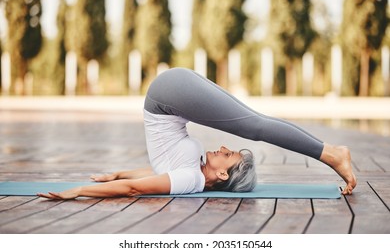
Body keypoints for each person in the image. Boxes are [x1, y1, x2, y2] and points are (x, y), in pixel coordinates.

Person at [38, 68, 356, 200]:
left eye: (228, 155)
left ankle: (332, 153)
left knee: (256, 126)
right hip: (172, 95)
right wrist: (116, 173)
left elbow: (138, 186)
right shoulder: (192, 172)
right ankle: (331, 152)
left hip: (170, 95)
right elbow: (154, 174)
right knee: (256, 123)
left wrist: (78, 190)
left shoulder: (189, 180)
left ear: (220, 174)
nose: (222, 147)